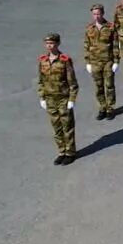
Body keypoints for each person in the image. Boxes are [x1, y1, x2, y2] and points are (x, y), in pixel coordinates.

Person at [37, 33, 80, 165]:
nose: (49, 46)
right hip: (50, 99)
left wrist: (72, 99)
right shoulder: (43, 60)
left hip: (63, 98)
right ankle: (61, 151)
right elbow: (40, 80)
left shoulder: (65, 60)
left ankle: (70, 152)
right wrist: (42, 97)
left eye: (52, 43)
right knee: (56, 127)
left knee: (67, 126)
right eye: (47, 44)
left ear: (57, 44)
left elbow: (72, 81)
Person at [84, 4, 119, 120]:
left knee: (109, 85)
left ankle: (110, 108)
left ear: (103, 13)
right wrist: (87, 62)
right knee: (98, 86)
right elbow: (86, 45)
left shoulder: (110, 27)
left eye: (98, 14)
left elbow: (115, 44)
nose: (96, 16)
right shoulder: (89, 28)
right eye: (94, 14)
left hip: (107, 61)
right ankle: (102, 108)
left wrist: (116, 61)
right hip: (94, 61)